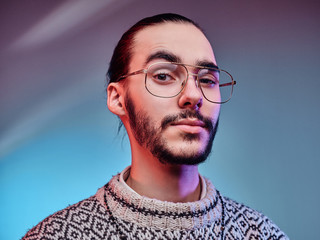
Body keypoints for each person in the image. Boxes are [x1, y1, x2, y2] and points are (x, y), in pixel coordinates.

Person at [22, 13, 288, 240]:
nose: (193, 95)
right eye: (163, 76)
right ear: (117, 98)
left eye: (207, 80)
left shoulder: (260, 234)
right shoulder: (59, 235)